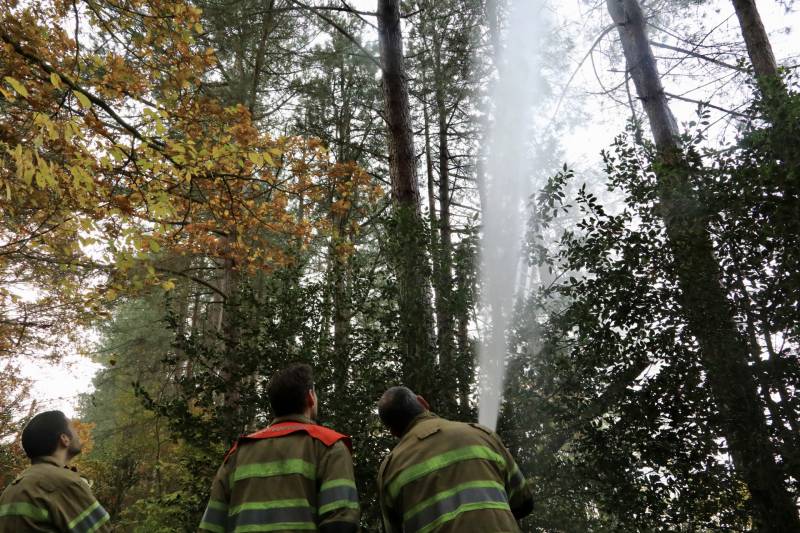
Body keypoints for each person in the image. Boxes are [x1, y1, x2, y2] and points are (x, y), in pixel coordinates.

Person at [200, 363, 360, 533]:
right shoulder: (328, 446)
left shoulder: (238, 454)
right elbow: (341, 523)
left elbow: (211, 526)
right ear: (310, 398)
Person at [376, 386, 533, 533]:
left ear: (394, 431)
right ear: (423, 402)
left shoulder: (389, 470)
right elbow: (523, 501)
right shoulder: (482, 435)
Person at [0, 410, 110, 533]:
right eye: (74, 429)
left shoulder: (10, 491)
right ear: (65, 439)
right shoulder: (63, 483)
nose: (78, 433)